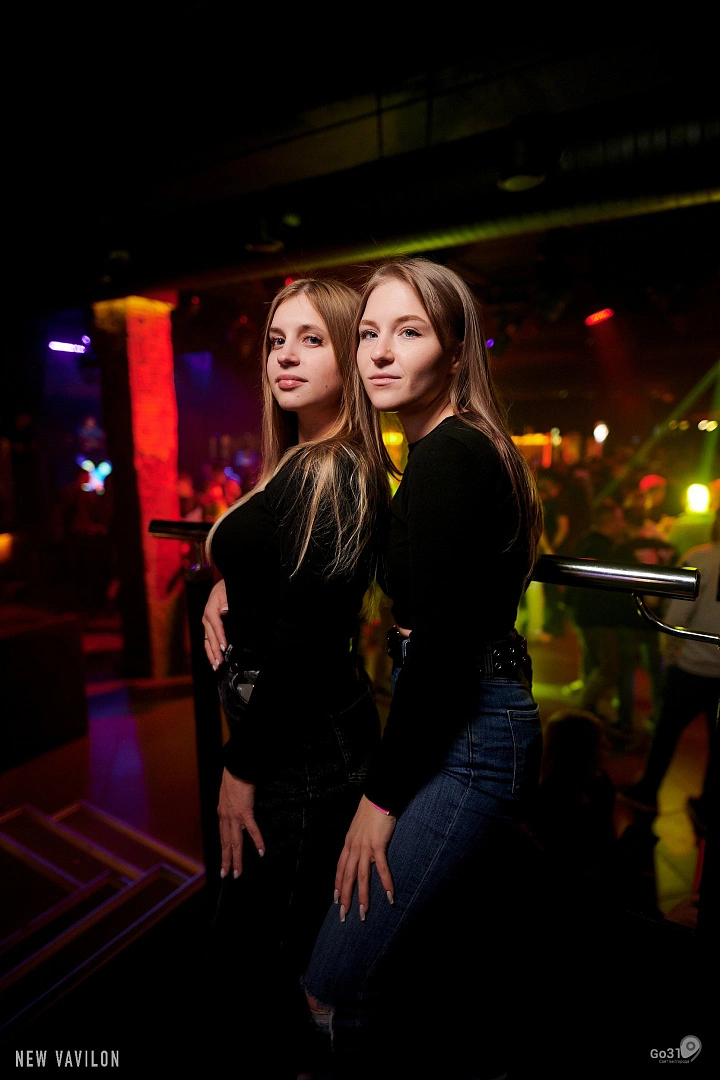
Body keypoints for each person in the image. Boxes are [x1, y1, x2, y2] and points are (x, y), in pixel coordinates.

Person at [300, 257, 544, 1079]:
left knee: (334, 984)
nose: (378, 351)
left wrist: (378, 802)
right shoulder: (448, 449)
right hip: (468, 719)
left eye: (408, 332)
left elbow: (441, 657)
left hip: (469, 732)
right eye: (368, 332)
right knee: (420, 967)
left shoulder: (450, 456)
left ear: (456, 348)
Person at [199, 277, 391, 1077]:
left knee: (266, 958)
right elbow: (283, 571)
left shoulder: (337, 470)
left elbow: (308, 643)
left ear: (349, 355)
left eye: (313, 340)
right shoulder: (304, 459)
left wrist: (239, 770)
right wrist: (227, 584)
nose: (286, 356)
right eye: (278, 340)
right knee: (262, 947)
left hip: (299, 752)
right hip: (288, 741)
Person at [621, 508, 720, 831]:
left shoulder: (701, 559)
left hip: (691, 665)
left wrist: (670, 653)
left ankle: (648, 791)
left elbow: (677, 615)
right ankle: (708, 805)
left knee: (666, 733)